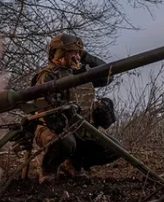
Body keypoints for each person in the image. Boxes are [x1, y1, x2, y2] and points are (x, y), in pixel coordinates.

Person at [30, 34, 118, 183]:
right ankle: (48, 170)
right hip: (52, 130)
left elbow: (108, 75)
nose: (76, 57)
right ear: (59, 54)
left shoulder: (82, 74)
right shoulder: (48, 76)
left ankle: (73, 165)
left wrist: (85, 56)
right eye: (73, 52)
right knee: (66, 141)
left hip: (82, 129)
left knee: (114, 148)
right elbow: (48, 113)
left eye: (79, 53)